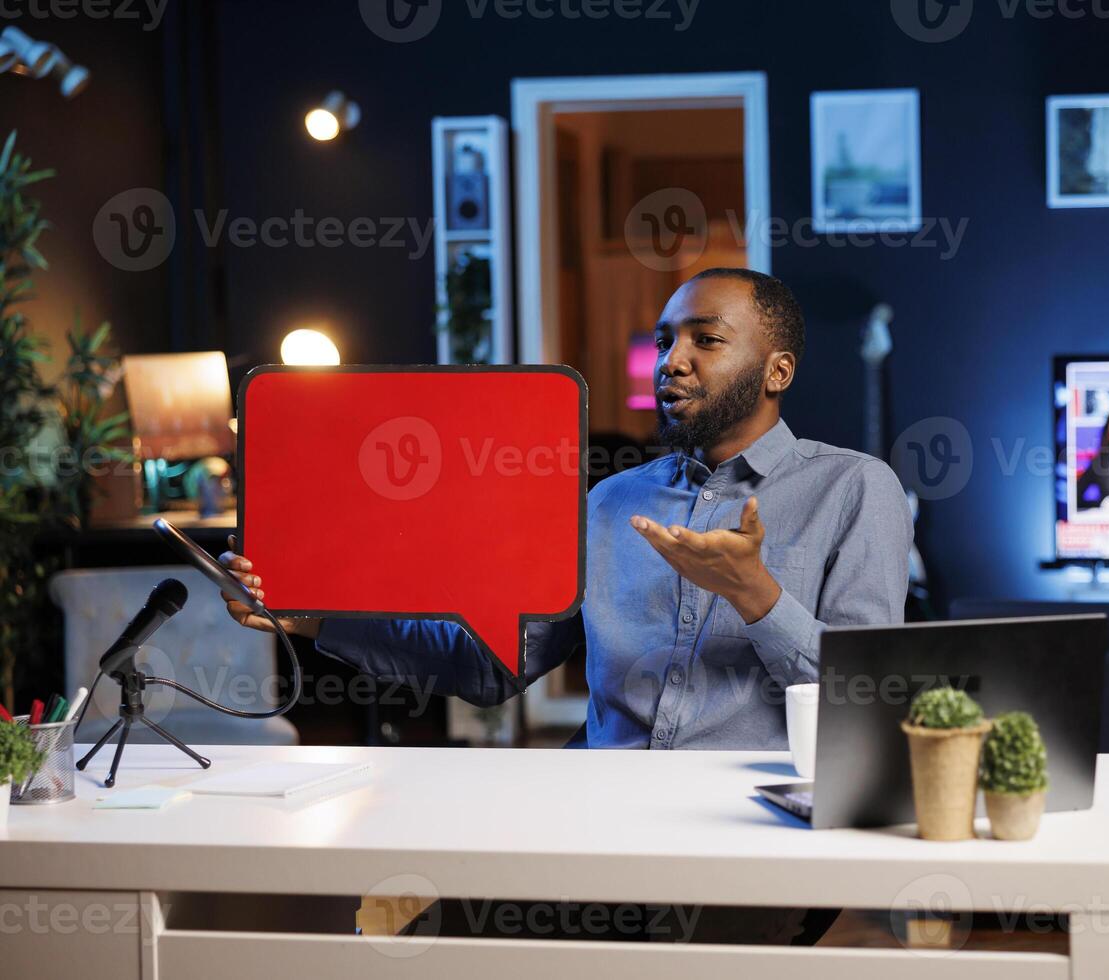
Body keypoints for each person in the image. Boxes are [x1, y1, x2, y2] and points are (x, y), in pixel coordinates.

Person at [217, 268, 912, 944]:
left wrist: (755, 594)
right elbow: (493, 665)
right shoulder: (610, 503)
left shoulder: (853, 489)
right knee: (423, 929)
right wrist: (301, 616)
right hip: (597, 819)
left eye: (705, 339)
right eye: (665, 340)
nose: (672, 361)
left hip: (750, 834)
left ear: (777, 371)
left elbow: (865, 697)